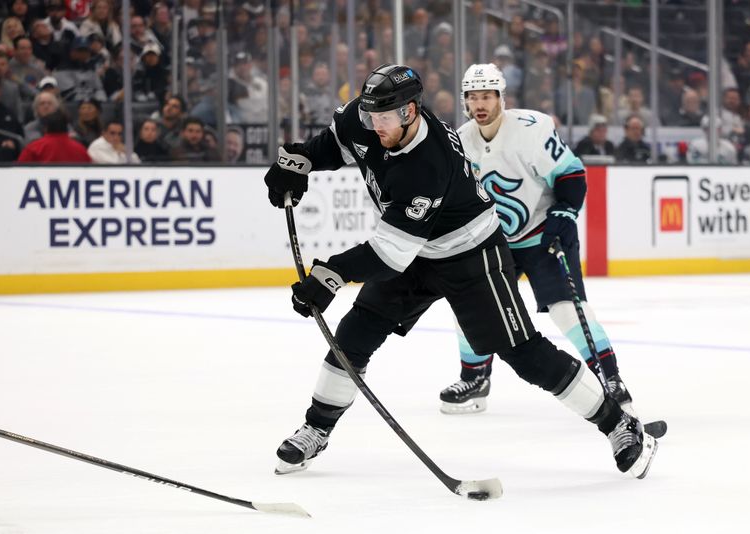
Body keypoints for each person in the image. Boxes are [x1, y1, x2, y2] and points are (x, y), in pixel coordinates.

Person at [262, 63, 658, 479]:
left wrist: (332, 274)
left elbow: (389, 253)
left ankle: (620, 424)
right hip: (416, 251)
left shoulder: (430, 163)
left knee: (525, 355)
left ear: (410, 111)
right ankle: (316, 428)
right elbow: (337, 143)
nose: (373, 125)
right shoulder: (367, 116)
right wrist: (300, 160)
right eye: (370, 115)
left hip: (471, 256)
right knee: (354, 333)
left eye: (383, 119)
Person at [438, 63, 648, 425]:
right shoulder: (462, 138)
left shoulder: (532, 130)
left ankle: (611, 380)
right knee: (471, 304)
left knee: (567, 310)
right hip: (498, 240)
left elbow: (571, 173)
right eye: (473, 97)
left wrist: (565, 211)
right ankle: (475, 377)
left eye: (487, 95)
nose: (480, 104)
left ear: (501, 97)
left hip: (544, 236)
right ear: (465, 101)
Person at [18, 110, 90, 163]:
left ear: (46, 128)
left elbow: (19, 170)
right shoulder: (80, 149)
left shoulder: (34, 148)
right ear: (67, 127)